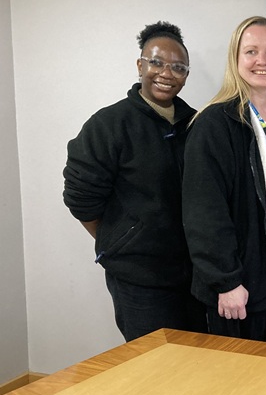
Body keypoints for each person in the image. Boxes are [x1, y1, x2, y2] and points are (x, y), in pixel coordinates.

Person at [63, 21, 205, 342]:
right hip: (140, 280)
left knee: (197, 365)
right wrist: (121, 239)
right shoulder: (109, 125)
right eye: (156, 62)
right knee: (152, 369)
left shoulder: (197, 124)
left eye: (178, 67)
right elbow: (80, 197)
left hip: (194, 276)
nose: (166, 74)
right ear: (140, 65)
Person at [182, 16, 266, 345]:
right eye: (251, 51)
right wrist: (225, 281)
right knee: (242, 381)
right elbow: (204, 213)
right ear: (235, 59)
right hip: (242, 268)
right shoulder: (214, 124)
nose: (262, 61)